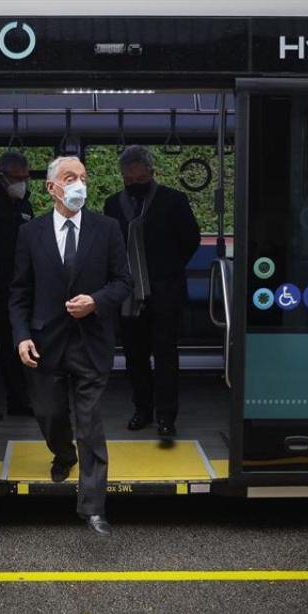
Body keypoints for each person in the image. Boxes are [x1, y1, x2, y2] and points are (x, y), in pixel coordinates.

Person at [9, 156, 132, 536]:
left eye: (82, 177)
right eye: (69, 177)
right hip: (46, 343)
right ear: (51, 188)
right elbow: (19, 291)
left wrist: (95, 300)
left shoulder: (107, 228)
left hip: (91, 343)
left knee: (90, 424)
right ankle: (63, 454)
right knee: (49, 413)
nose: (79, 184)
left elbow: (123, 282)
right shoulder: (32, 234)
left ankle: (93, 507)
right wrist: (21, 335)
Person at [103, 146, 200, 439]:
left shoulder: (174, 200)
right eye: (129, 180)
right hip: (128, 293)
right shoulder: (113, 204)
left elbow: (190, 240)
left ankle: (167, 417)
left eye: (140, 178)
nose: (135, 184)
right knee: (134, 356)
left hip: (165, 290)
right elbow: (111, 245)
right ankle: (142, 410)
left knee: (165, 355)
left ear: (151, 173)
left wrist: (165, 269)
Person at [0, 151, 34, 416]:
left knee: (12, 344)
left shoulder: (24, 204)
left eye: (25, 178)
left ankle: (18, 401)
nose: (22, 183)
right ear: (2, 177)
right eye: (17, 178)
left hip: (16, 284)